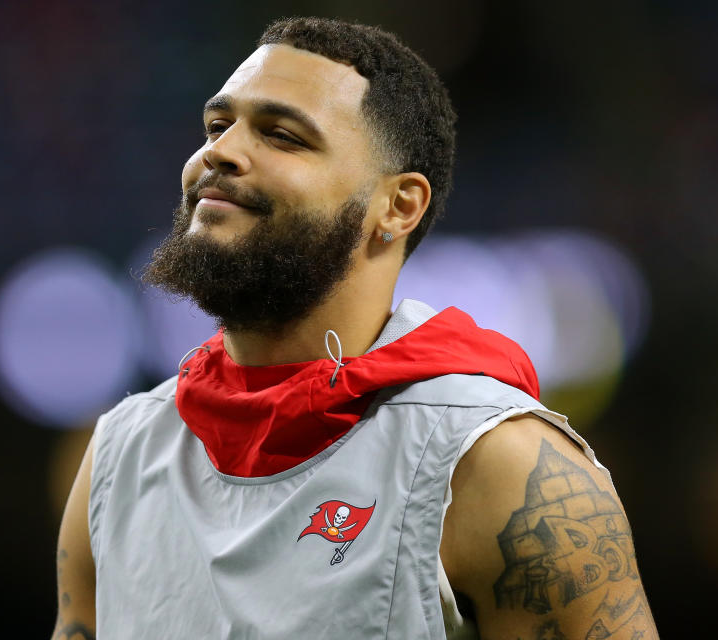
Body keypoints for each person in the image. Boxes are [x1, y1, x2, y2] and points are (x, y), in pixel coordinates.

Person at [52, 16, 659, 640]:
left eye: (283, 136)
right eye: (217, 125)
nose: (220, 151)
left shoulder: (497, 466)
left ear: (397, 206)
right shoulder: (119, 454)